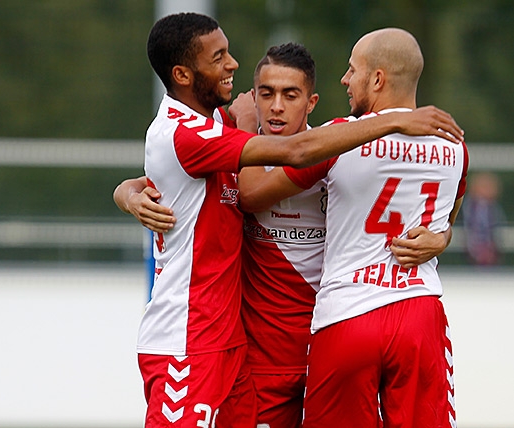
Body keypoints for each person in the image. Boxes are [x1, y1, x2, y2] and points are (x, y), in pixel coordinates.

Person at [128, 12, 462, 428]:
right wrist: (127, 194)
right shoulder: (230, 135)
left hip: (329, 337)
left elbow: (417, 207)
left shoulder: (336, 149)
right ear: (252, 96)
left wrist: (443, 236)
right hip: (254, 355)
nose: (276, 106)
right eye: (265, 93)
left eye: (290, 94)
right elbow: (175, 174)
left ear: (311, 103)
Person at [240, 28, 466, 427]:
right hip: (418, 313)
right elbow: (448, 219)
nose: (345, 79)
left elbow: (253, 193)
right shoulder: (453, 143)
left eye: (352, 70)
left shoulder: (338, 139)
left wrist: (243, 129)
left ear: (377, 79)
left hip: (347, 316)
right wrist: (442, 240)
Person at [462, 171, 506, 265]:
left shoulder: (495, 209)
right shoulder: (467, 207)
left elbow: (499, 229)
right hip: (467, 257)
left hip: (492, 255)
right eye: (485, 187)